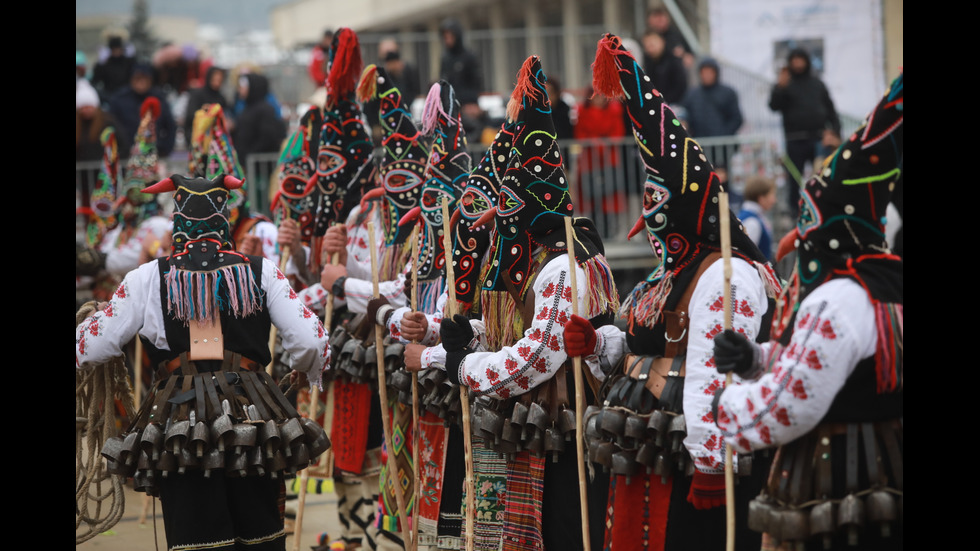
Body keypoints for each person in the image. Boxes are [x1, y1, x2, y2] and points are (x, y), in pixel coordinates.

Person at [568, 34, 781, 551]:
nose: (651, 219)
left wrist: (711, 462)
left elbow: (713, 368)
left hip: (698, 466)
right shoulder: (668, 271)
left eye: (659, 203)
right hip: (654, 453)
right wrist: (597, 345)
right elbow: (648, 347)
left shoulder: (724, 275)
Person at [77, 173, 331, 551]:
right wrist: (307, 369)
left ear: (178, 219)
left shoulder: (146, 278)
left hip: (180, 426)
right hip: (254, 419)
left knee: (198, 539)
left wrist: (97, 318)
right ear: (223, 218)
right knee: (261, 535)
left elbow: (90, 349)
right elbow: (312, 341)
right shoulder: (261, 270)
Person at [712, 71, 903, 550]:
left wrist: (725, 407)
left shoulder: (839, 298)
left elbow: (792, 403)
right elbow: (847, 367)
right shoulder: (885, 283)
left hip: (840, 482)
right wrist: (758, 360)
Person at [436, 56, 620, 551]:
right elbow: (518, 329)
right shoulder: (529, 256)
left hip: (561, 426)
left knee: (563, 531)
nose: (496, 220)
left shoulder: (563, 265)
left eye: (508, 207)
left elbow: (539, 354)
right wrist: (472, 334)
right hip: (528, 427)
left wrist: (465, 366)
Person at [768, 47, 841, 214]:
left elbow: (831, 110)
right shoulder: (785, 84)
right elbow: (773, 106)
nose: (798, 63)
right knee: (794, 180)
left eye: (800, 59)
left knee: (822, 177)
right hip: (794, 141)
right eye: (794, 60)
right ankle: (795, 213)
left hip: (818, 139)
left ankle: (823, 209)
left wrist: (834, 132)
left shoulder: (817, 83)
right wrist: (780, 88)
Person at [108, 63, 177, 159]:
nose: (141, 82)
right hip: (126, 155)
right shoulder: (119, 99)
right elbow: (112, 125)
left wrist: (165, 148)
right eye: (138, 78)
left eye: (145, 78)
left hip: (154, 153)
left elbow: (170, 125)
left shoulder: (159, 98)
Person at [681, 57, 743, 139]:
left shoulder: (728, 93)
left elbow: (736, 118)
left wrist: (724, 135)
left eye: (710, 72)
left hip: (723, 146)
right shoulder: (692, 94)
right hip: (699, 144)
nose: (707, 75)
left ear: (716, 73)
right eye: (704, 72)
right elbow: (686, 116)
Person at [439, 18, 482, 115]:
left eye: (450, 37)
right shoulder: (445, 58)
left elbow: (476, 83)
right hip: (450, 105)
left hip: (467, 106)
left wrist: (471, 101)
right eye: (445, 37)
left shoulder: (469, 56)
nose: (448, 40)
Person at [183, 65, 228, 149]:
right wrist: (206, 113)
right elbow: (190, 115)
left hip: (216, 144)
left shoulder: (221, 98)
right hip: (198, 140)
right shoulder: (197, 94)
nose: (216, 82)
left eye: (219, 80)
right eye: (214, 79)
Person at [640, 30, 688, 105]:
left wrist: (664, 101)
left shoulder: (673, 61)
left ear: (662, 42)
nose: (650, 49)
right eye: (647, 46)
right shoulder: (646, 63)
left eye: (652, 45)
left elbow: (680, 87)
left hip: (674, 105)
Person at [737, 176, 777, 261]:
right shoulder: (752, 222)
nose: (774, 200)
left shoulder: (753, 217)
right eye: (771, 195)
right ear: (761, 198)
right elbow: (747, 256)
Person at [92, 34, 135, 102]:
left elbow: (134, 74)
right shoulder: (106, 63)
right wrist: (100, 64)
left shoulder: (128, 62)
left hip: (127, 94)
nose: (116, 51)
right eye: (114, 49)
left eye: (118, 49)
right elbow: (96, 79)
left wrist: (133, 58)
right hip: (110, 95)